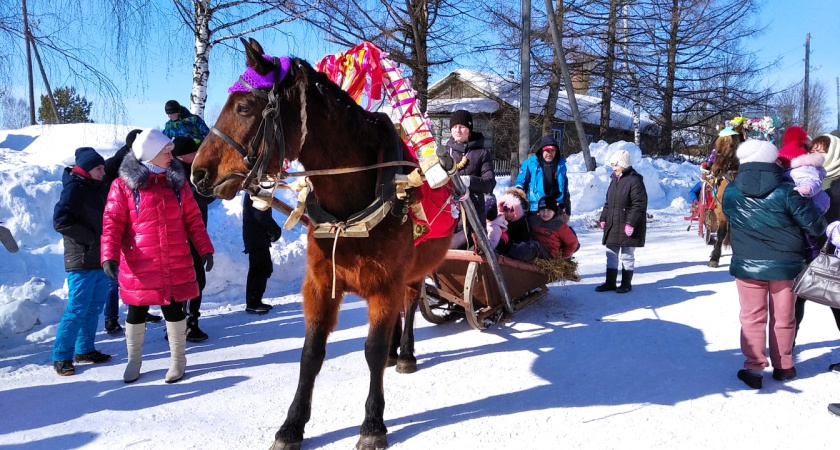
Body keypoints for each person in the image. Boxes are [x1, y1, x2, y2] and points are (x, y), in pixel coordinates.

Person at [101, 128, 215, 384]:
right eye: (165, 151)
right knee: (136, 311)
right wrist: (109, 255)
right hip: (140, 262)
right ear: (150, 154)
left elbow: (193, 219)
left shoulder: (177, 183)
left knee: (174, 310)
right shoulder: (123, 186)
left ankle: (178, 360)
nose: (170, 156)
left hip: (174, 259)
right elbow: (112, 223)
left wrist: (205, 247)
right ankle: (134, 360)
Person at [721, 139, 826, 389]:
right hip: (787, 266)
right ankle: (784, 367)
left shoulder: (731, 191)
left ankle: (754, 369)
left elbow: (730, 217)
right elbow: (816, 227)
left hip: (747, 265)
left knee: (752, 317)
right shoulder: (788, 191)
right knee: (784, 317)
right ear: (772, 160)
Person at [51, 147, 113, 376]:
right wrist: (91, 238)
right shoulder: (74, 188)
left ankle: (85, 349)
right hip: (81, 257)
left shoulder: (99, 188)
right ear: (86, 169)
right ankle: (61, 356)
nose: (103, 172)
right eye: (98, 168)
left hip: (100, 257)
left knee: (95, 307)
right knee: (77, 308)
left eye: (103, 168)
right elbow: (60, 221)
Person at [100, 129, 162, 335]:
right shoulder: (114, 165)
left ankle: (142, 310)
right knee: (114, 279)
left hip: (136, 228)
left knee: (139, 278)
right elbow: (109, 198)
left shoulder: (144, 164)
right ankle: (111, 318)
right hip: (119, 224)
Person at [170, 136, 215, 341]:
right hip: (182, 239)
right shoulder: (175, 176)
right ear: (181, 156)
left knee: (195, 281)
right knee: (191, 282)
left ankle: (182, 323)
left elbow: (204, 199)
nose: (197, 154)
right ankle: (186, 324)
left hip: (196, 236)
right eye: (193, 152)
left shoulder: (191, 172)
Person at [596, 149, 648, 294]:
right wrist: (604, 218)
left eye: (616, 165)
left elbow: (639, 205)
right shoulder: (614, 180)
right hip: (613, 223)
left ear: (624, 164)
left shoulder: (635, 180)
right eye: (612, 165)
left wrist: (631, 223)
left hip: (627, 225)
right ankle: (610, 282)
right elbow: (608, 203)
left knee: (627, 255)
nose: (614, 168)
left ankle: (626, 283)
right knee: (611, 253)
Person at [242, 194, 282, 314]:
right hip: (256, 238)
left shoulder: (255, 192)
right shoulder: (254, 193)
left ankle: (254, 301)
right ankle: (253, 303)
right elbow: (260, 215)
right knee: (261, 269)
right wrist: (274, 229)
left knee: (258, 269)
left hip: (256, 238)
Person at [507, 196, 579, 262]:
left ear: (554, 212)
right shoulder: (534, 220)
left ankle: (511, 260)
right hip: (533, 250)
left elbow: (572, 243)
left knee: (534, 247)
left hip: (549, 254)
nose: (545, 213)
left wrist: (564, 257)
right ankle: (505, 255)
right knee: (518, 245)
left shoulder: (560, 226)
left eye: (549, 210)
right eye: (542, 210)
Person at [515, 135, 571, 215]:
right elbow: (520, 183)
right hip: (535, 208)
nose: (549, 153)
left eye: (552, 150)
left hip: (557, 207)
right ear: (541, 150)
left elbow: (565, 188)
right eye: (547, 150)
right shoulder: (530, 164)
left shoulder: (561, 165)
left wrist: (567, 208)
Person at [495, 188, 531, 255]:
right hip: (504, 244)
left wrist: (522, 245)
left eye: (512, 211)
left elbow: (526, 236)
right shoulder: (500, 219)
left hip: (518, 247)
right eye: (506, 211)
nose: (508, 214)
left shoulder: (522, 221)